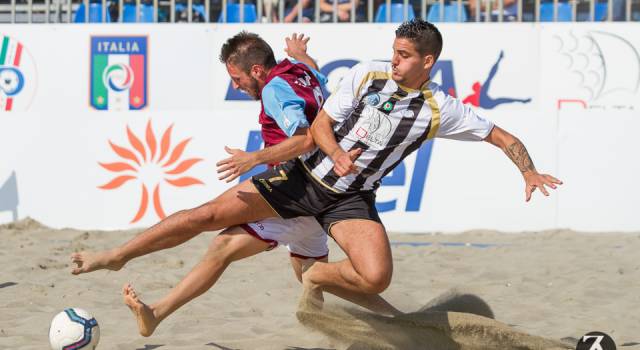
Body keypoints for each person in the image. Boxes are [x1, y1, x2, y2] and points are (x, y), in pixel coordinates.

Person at [71, 20, 561, 318]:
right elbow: (320, 125)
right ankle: (117, 254)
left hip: (349, 199)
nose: (394, 61)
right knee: (207, 220)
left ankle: (323, 283)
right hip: (301, 179)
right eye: (394, 51)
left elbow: (502, 135)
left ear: (427, 61)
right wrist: (334, 150)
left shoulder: (440, 108)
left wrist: (528, 171)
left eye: (405, 55)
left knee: (375, 277)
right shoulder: (366, 74)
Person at [74, 32, 400, 337]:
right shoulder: (301, 69)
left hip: (297, 189)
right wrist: (304, 55)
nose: (238, 86)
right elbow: (316, 78)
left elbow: (306, 140)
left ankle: (117, 256)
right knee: (241, 254)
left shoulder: (273, 88)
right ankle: (402, 324)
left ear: (257, 70)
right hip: (314, 204)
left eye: (238, 79)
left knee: (201, 216)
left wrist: (254, 158)